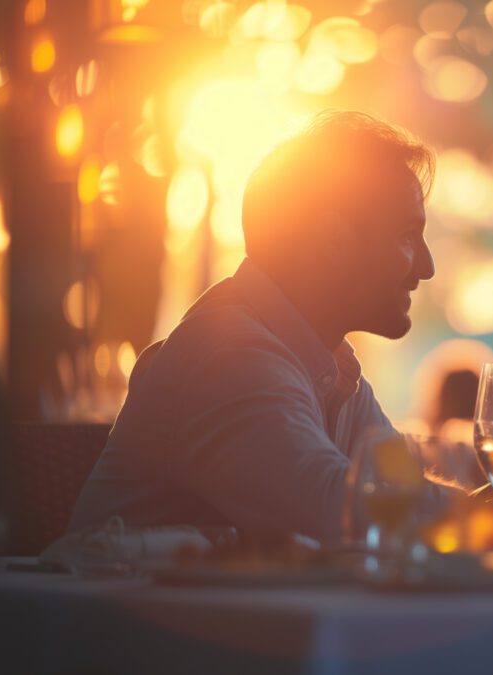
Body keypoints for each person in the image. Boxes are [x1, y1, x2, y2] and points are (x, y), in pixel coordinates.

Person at [69, 111, 439, 546]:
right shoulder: (230, 356)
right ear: (334, 241)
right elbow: (346, 514)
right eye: (408, 236)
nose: (427, 267)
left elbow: (400, 489)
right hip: (117, 614)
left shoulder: (331, 370)